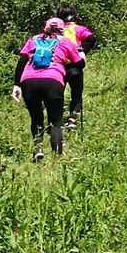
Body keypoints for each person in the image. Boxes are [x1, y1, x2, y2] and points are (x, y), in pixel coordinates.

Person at [13, 17, 84, 161]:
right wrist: (80, 55)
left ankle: (38, 149)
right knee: (56, 121)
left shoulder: (33, 40)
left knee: (36, 118)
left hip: (29, 81)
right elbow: (79, 64)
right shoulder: (65, 42)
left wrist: (17, 84)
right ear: (61, 29)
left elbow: (22, 61)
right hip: (53, 81)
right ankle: (58, 155)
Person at [57, 9, 95, 132]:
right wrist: (83, 50)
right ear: (73, 16)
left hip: (59, 65)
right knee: (76, 93)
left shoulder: (55, 30)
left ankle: (57, 119)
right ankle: (72, 119)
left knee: (58, 94)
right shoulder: (78, 29)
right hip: (75, 63)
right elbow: (91, 38)